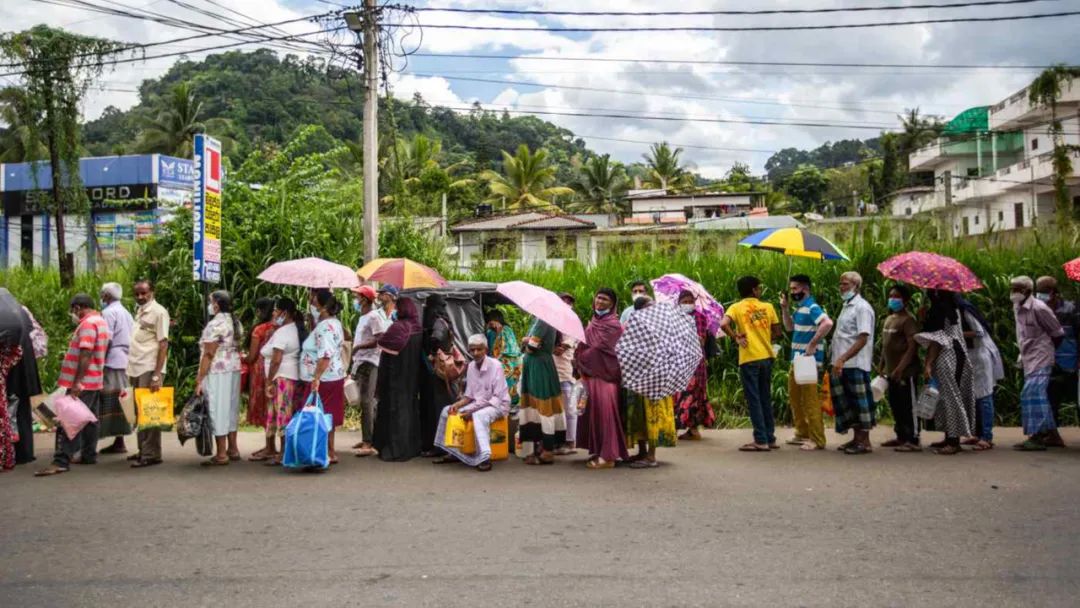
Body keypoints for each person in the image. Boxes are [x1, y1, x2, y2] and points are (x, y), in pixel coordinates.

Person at [35, 294, 110, 477]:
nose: (72, 314)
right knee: (90, 419)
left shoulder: (87, 324)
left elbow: (86, 353)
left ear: (78, 308)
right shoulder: (101, 321)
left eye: (73, 310)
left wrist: (77, 382)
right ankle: (88, 454)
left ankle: (61, 461)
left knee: (69, 420)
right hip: (94, 379)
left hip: (83, 382)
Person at [433, 334, 511, 471]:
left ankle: (485, 457)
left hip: (497, 405)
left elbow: (496, 398)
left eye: (479, 349)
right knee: (447, 410)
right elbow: (469, 396)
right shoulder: (471, 367)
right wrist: (457, 405)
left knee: (479, 416)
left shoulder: (496, 366)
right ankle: (453, 451)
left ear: (485, 350)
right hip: (477, 404)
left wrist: (472, 411)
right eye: (472, 350)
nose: (475, 353)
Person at [721, 276, 781, 453]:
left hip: (749, 358)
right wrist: (763, 337)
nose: (760, 290)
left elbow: (723, 324)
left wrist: (735, 336)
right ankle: (769, 438)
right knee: (765, 397)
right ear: (754, 290)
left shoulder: (736, 307)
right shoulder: (768, 307)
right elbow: (777, 332)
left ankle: (760, 440)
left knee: (754, 399)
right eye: (759, 288)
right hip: (767, 357)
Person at [574, 288, 630, 469]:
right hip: (592, 375)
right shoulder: (594, 322)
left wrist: (581, 358)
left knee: (606, 416)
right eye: (598, 297)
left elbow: (600, 348)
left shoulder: (612, 324)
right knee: (595, 415)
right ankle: (600, 451)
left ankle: (609, 456)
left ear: (612, 304)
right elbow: (585, 342)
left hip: (606, 376)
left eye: (605, 299)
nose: (600, 301)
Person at [915, 289, 976, 455]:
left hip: (948, 353)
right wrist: (923, 318)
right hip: (954, 352)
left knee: (950, 396)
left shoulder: (941, 309)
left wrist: (928, 364)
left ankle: (953, 440)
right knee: (947, 396)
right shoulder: (949, 307)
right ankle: (949, 436)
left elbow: (937, 339)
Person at [1011, 276, 1065, 451]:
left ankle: (1037, 437)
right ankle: (1053, 436)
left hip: (1041, 356)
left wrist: (1046, 351)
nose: (1013, 293)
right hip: (1028, 356)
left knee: (1032, 393)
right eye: (1012, 289)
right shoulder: (1017, 307)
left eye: (1017, 289)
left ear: (1027, 291)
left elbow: (1058, 333)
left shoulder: (1039, 308)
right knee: (1037, 396)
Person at [623, 296, 678, 469]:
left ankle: (651, 456)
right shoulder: (633, 327)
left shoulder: (662, 328)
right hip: (636, 378)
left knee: (652, 416)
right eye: (649, 307)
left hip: (656, 380)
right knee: (638, 415)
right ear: (639, 310)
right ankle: (641, 451)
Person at [780, 275, 833, 450]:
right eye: (791, 289)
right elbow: (789, 327)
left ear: (805, 289)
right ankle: (802, 432)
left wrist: (813, 343)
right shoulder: (800, 308)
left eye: (795, 288)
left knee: (810, 400)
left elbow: (827, 323)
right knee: (795, 398)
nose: (792, 292)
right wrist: (785, 309)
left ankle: (818, 439)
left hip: (808, 361)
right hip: (797, 359)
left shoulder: (812, 307)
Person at [829, 272, 877, 455]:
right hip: (842, 363)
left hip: (855, 363)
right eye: (841, 284)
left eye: (845, 284)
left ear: (856, 286)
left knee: (860, 403)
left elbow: (863, 338)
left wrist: (843, 358)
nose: (842, 287)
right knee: (848, 403)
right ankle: (857, 439)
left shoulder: (862, 308)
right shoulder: (846, 306)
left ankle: (864, 442)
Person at [194, 290, 243, 467]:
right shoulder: (235, 322)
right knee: (231, 407)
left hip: (217, 370)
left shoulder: (215, 324)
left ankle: (221, 453)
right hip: (234, 368)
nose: (209, 305)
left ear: (216, 304)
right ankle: (233, 448)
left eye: (211, 301)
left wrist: (199, 378)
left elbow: (208, 353)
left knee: (217, 408)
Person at [372, 295, 424, 461]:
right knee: (409, 410)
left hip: (396, 378)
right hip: (412, 379)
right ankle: (411, 447)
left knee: (395, 413)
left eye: (398, 307)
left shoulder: (398, 328)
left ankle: (395, 450)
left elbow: (385, 347)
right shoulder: (418, 328)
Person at [301, 288, 348, 464]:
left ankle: (324, 450)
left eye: (313, 300)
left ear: (321, 305)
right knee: (327, 414)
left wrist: (316, 378)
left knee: (319, 414)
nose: (311, 302)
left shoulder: (325, 327)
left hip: (325, 377)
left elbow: (325, 355)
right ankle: (328, 450)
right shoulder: (333, 323)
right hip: (333, 376)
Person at [125, 280, 169, 468]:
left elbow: (163, 343)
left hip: (149, 367)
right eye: (137, 294)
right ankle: (143, 449)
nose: (140, 297)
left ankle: (151, 454)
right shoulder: (140, 311)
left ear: (152, 292)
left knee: (150, 412)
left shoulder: (159, 312)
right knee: (139, 412)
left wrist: (157, 375)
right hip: (135, 366)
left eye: (144, 293)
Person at [258, 298, 305, 466]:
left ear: (285, 313)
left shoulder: (284, 332)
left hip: (281, 377)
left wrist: (269, 381)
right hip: (289, 376)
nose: (273, 313)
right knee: (282, 413)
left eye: (277, 310)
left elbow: (276, 359)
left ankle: (284, 452)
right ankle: (282, 450)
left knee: (283, 414)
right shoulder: (291, 329)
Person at [878, 285, 922, 452]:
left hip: (906, 372)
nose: (892, 299)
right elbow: (885, 345)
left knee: (908, 405)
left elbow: (912, 347)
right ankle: (901, 436)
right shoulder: (889, 319)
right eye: (891, 296)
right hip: (890, 370)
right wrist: (882, 365)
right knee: (895, 404)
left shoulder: (908, 320)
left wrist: (900, 368)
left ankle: (913, 438)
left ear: (906, 300)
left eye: (896, 296)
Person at [958, 295, 1004, 451]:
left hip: (980, 353)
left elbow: (978, 332)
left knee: (984, 395)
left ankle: (986, 437)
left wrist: (956, 334)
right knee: (974, 396)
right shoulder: (956, 309)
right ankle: (976, 433)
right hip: (971, 354)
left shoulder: (964, 309)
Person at [518, 317, 566, 465]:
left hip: (538, 366)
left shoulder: (543, 320)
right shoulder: (539, 320)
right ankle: (542, 446)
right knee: (538, 407)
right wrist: (527, 343)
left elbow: (532, 346)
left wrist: (526, 341)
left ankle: (547, 450)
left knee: (543, 407)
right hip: (537, 365)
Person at [1036, 276, 1077, 445]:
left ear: (1054, 292)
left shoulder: (1071, 309)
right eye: (1039, 292)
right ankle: (1053, 435)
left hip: (1072, 361)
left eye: (1045, 292)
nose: (1042, 296)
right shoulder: (1040, 309)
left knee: (1076, 396)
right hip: (1051, 360)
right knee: (1051, 398)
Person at [96, 282, 134, 456]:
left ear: (106, 296)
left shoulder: (108, 313)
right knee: (122, 400)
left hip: (112, 361)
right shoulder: (125, 312)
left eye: (103, 295)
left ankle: (111, 439)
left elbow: (106, 339)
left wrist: (98, 361)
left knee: (109, 400)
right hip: (125, 360)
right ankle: (119, 441)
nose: (101, 298)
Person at [350, 285, 389, 457]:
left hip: (369, 362)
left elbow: (380, 338)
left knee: (367, 401)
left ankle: (369, 441)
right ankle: (368, 437)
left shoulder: (373, 316)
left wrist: (359, 346)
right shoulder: (364, 316)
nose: (355, 300)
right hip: (361, 361)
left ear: (364, 299)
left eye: (357, 297)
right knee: (363, 402)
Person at [419, 293, 459, 457]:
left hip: (437, 372)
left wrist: (432, 350)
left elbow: (437, 337)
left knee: (438, 408)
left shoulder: (438, 323)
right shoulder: (446, 321)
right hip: (444, 373)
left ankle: (440, 446)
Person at [674, 289, 716, 440]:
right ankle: (691, 430)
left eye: (690, 301)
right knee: (680, 393)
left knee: (691, 394)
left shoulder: (699, 317)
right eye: (684, 302)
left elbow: (701, 340)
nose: (687, 304)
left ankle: (691, 429)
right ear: (678, 303)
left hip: (695, 363)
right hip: (679, 362)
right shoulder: (675, 318)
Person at [245, 298, 276, 438]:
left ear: (260, 311)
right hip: (274, 369)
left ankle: (269, 446)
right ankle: (271, 446)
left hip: (259, 371)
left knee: (262, 405)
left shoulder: (259, 329)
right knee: (272, 406)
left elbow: (252, 356)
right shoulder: (277, 327)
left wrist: (242, 358)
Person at [553, 292, 579, 455]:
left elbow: (566, 345)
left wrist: (559, 347)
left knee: (569, 408)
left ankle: (571, 442)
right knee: (556, 408)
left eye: (569, 302)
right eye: (563, 301)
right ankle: (558, 440)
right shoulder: (550, 320)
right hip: (550, 370)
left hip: (565, 370)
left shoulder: (572, 322)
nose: (566, 304)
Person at [485, 309, 522, 426]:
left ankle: (501, 411)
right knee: (511, 389)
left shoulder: (491, 332)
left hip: (502, 366)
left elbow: (491, 351)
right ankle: (510, 410)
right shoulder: (508, 329)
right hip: (515, 365)